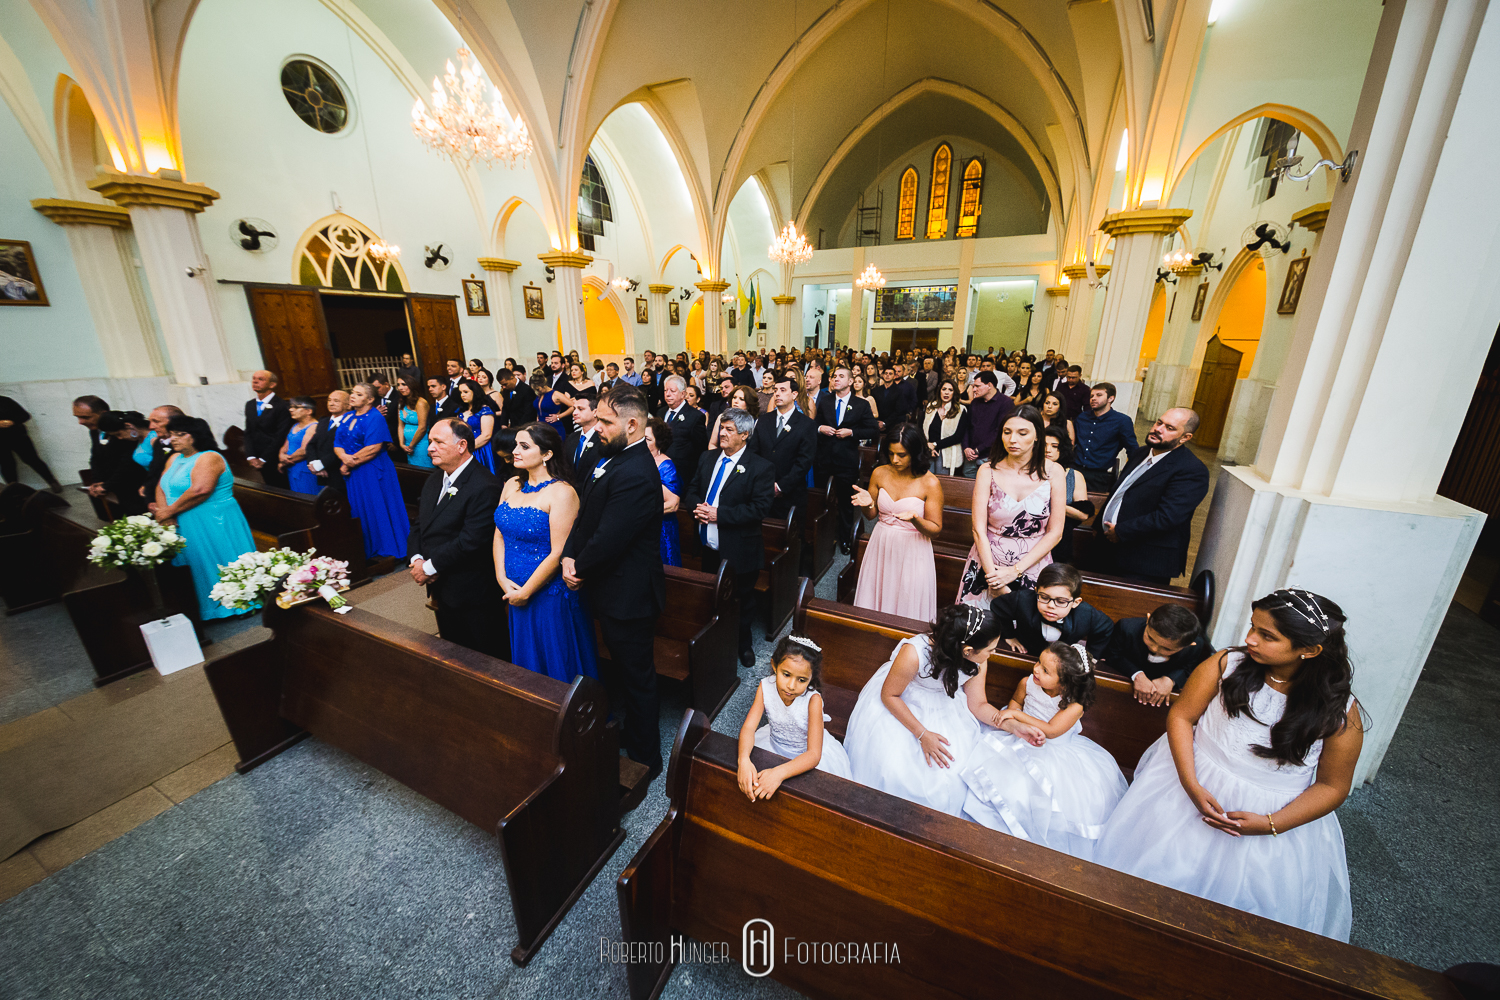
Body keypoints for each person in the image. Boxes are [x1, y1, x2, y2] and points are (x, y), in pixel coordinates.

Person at [1094, 590, 1363, 941]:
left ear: (1309, 650)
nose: (1250, 639)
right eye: (1253, 627)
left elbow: (1333, 786)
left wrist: (1271, 824)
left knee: (1241, 920)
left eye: (1267, 636)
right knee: (1148, 883)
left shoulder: (1339, 712)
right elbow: (1182, 716)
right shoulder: (1227, 664)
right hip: (1189, 782)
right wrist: (1190, 784)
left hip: (1271, 813)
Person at [844, 605, 1045, 816]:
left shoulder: (977, 662)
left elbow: (978, 705)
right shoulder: (914, 653)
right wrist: (922, 734)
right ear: (967, 651)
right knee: (896, 770)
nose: (993, 654)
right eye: (991, 649)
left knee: (952, 776)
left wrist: (1014, 727)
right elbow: (889, 696)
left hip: (945, 707)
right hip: (901, 704)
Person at [562, 387, 668, 777]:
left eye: (606, 421)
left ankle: (646, 757)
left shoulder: (639, 472)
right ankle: (630, 734)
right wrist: (570, 554)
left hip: (629, 594)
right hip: (606, 587)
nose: (597, 426)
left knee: (638, 676)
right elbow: (584, 515)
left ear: (633, 424)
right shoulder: (608, 457)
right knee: (621, 670)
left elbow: (611, 535)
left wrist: (579, 567)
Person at [960, 641, 1128, 860]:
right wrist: (1013, 714)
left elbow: (1051, 730)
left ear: (1066, 683)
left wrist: (1017, 716)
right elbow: (1015, 702)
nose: (1036, 669)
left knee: (1044, 797)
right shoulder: (1027, 682)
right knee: (1004, 780)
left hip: (1055, 753)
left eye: (1046, 670)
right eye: (1038, 661)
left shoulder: (1074, 705)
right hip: (1019, 739)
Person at [493, 423, 597, 681]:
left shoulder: (562, 492)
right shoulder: (511, 484)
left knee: (556, 657)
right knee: (528, 659)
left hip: (548, 593)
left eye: (524, 446)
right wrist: (502, 579)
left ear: (547, 454)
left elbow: (559, 552)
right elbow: (498, 534)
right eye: (516, 444)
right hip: (513, 588)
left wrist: (526, 591)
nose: (515, 451)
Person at [407, 419, 509, 660]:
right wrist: (417, 558)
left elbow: (472, 540)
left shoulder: (485, 485)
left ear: (462, 445)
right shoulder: (435, 479)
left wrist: (429, 567)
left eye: (437, 442)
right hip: (440, 586)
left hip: (473, 591)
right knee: (453, 653)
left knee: (486, 657)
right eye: (430, 441)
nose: (430, 447)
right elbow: (420, 523)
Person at [684, 408, 776, 667]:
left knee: (742, 601)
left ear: (745, 435)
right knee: (711, 598)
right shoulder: (707, 458)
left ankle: (743, 645)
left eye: (729, 430)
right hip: (708, 546)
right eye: (721, 428)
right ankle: (715, 642)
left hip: (739, 550)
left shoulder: (760, 467)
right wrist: (698, 508)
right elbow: (691, 490)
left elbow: (760, 509)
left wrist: (718, 515)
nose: (722, 433)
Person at [957, 406, 1065, 605]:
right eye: (1007, 432)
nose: (1012, 439)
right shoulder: (987, 470)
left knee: (1022, 627)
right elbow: (978, 529)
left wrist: (1015, 571)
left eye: (1022, 433)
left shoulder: (1054, 472)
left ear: (1037, 436)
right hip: (988, 564)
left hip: (1032, 564)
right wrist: (994, 579)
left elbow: (1055, 532)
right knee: (977, 628)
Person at [154, 415, 256, 620]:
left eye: (180, 434)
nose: (173, 439)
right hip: (183, 518)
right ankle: (204, 608)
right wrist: (164, 514)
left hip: (213, 518)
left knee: (220, 558)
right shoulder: (174, 458)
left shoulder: (209, 457)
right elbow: (161, 485)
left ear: (196, 436)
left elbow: (201, 490)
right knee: (196, 561)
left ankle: (238, 604)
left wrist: (169, 511)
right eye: (172, 434)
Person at [1100, 407, 1209, 585]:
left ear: (1185, 437)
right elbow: (1122, 494)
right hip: (1108, 549)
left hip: (1144, 561)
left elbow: (1168, 517)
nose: (1158, 429)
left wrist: (1120, 531)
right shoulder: (1140, 453)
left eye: (1170, 428)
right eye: (1159, 422)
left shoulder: (1191, 470)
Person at [737, 634, 853, 801]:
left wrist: (778, 773)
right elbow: (749, 728)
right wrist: (744, 760)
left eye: (801, 679)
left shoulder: (813, 700)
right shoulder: (765, 687)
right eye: (786, 674)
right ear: (774, 666)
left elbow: (813, 755)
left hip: (805, 756)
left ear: (811, 678)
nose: (791, 686)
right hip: (773, 745)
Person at [851, 423, 943, 621]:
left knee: (907, 600)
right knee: (876, 593)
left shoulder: (930, 482)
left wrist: (916, 520)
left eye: (902, 455)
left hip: (913, 549)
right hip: (881, 543)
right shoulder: (880, 473)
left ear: (916, 452)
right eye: (891, 453)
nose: (895, 459)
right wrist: (867, 505)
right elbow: (871, 515)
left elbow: (935, 530)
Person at [335, 382, 411, 559]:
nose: (353, 396)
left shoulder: (375, 417)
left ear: (370, 399)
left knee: (378, 506)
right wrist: (345, 459)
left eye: (359, 394)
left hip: (373, 469)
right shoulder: (347, 416)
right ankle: (370, 547)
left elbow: (373, 448)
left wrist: (348, 463)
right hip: (355, 471)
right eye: (353, 392)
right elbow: (337, 443)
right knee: (360, 507)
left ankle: (388, 546)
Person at [815, 366, 879, 552]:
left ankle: (845, 540)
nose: (836, 379)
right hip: (824, 459)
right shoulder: (825, 401)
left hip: (846, 461)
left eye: (841, 376)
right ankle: (824, 540)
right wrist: (821, 429)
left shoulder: (860, 404)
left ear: (851, 382)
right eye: (834, 376)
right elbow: (815, 424)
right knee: (822, 501)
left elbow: (873, 430)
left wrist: (852, 432)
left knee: (845, 503)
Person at [990, 562, 1114, 658]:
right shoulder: (1022, 600)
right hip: (1028, 649)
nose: (1051, 605)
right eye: (1044, 597)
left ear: (1075, 602)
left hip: (1061, 658)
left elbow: (1106, 627)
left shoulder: (1086, 615)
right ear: (1036, 591)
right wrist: (1009, 635)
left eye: (1060, 601)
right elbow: (998, 606)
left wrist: (1090, 656)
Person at [1108, 604, 1214, 706]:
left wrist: (1170, 680)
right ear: (1148, 619)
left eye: (1167, 648)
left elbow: (1187, 668)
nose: (1154, 648)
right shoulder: (1126, 627)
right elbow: (1113, 655)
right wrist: (1137, 675)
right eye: (1150, 638)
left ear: (1188, 645)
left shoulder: (1196, 645)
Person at [748, 370, 816, 519]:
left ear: (794, 395)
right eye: (775, 390)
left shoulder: (806, 424)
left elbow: (804, 462)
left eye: (783, 390)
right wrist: (763, 482)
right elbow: (753, 452)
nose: (777, 394)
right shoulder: (764, 420)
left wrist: (780, 486)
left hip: (791, 493)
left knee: (790, 537)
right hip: (762, 490)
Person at [1073, 382, 1139, 492]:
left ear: (1111, 398)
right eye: (1091, 396)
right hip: (1075, 470)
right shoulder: (1082, 417)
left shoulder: (1122, 421)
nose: (1093, 398)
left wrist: (1129, 475)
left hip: (1099, 475)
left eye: (1099, 395)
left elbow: (1133, 450)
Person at [1043, 426, 1093, 566]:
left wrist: (1053, 503)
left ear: (1062, 449)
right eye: (1044, 445)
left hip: (1059, 540)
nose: (1048, 450)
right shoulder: (1028, 472)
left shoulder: (1074, 476)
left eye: (1054, 446)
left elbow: (1083, 515)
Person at [959, 372, 1015, 478]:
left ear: (989, 385)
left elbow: (1000, 431)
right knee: (967, 489)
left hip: (991, 456)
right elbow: (967, 426)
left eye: (977, 386)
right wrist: (966, 447)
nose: (974, 389)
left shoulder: (1005, 403)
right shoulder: (975, 402)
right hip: (971, 456)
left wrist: (978, 450)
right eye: (973, 386)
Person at [0, 394, 61, 491]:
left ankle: (51, 481)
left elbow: (25, 415)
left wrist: (13, 421)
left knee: (32, 459)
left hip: (18, 437)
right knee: (7, 464)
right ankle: (13, 490)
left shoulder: (5, 401)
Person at [243, 370, 292, 488]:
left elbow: (281, 435)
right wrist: (251, 456)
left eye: (260, 379)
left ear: (272, 384)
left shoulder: (282, 405)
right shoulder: (250, 405)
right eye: (254, 378)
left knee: (283, 489)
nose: (255, 381)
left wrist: (264, 458)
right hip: (257, 457)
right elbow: (248, 431)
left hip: (276, 457)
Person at [95, 412, 151, 514]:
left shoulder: (153, 438)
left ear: (129, 426)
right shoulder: (139, 440)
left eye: (118, 434)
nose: (119, 438)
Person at [655, 375, 708, 483]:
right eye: (665, 390)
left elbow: (701, 448)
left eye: (672, 391)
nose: (668, 394)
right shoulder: (660, 412)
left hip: (681, 474)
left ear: (683, 394)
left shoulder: (695, 416)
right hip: (658, 471)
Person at [643, 417, 681, 566]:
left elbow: (673, 504)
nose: (642, 443)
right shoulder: (639, 460)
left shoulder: (665, 466)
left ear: (658, 442)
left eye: (647, 439)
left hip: (660, 528)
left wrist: (643, 512)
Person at [308, 389, 350, 495]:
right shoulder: (323, 421)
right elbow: (311, 444)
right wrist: (314, 464)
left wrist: (321, 464)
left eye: (336, 401)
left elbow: (345, 448)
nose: (331, 403)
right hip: (323, 474)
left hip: (340, 472)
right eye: (329, 400)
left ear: (348, 405)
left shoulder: (350, 423)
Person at [924, 379, 970, 477]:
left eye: (950, 390)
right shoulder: (931, 406)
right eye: (944, 389)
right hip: (929, 451)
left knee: (942, 483)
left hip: (947, 452)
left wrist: (935, 445)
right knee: (927, 481)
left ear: (954, 393)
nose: (946, 392)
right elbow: (923, 429)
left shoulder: (961, 410)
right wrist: (929, 446)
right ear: (939, 391)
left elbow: (958, 436)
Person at [139, 405, 182, 509]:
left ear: (173, 422)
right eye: (150, 421)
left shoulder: (186, 445)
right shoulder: (158, 442)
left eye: (156, 421)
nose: (151, 427)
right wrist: (151, 500)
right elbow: (155, 471)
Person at [278, 397, 320, 494]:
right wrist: (281, 455)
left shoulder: (314, 426)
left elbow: (304, 451)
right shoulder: (295, 426)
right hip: (292, 468)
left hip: (305, 469)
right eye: (291, 407)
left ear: (309, 411)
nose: (291, 410)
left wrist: (284, 463)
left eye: (296, 407)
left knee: (308, 496)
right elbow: (284, 446)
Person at [455, 380, 498, 474]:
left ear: (475, 392)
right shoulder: (461, 411)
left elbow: (486, 435)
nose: (462, 395)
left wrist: (469, 448)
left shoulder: (484, 410)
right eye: (461, 392)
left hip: (481, 449)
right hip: (464, 448)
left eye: (466, 392)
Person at [706, 384, 759, 452]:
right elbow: (712, 444)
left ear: (749, 403)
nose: (736, 401)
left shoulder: (756, 422)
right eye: (734, 397)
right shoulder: (721, 417)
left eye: (741, 399)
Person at [397, 376, 434, 469]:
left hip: (421, 444)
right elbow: (400, 426)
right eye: (398, 385)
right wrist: (402, 444)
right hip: (407, 445)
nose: (400, 387)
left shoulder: (421, 403)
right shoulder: (401, 403)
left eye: (404, 384)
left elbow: (422, 427)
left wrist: (411, 445)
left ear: (412, 386)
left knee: (424, 470)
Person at [369, 372, 401, 453]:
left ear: (386, 384)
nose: (376, 391)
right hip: (380, 444)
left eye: (378, 388)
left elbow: (401, 422)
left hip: (396, 443)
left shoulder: (398, 397)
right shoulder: (374, 399)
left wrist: (396, 443)